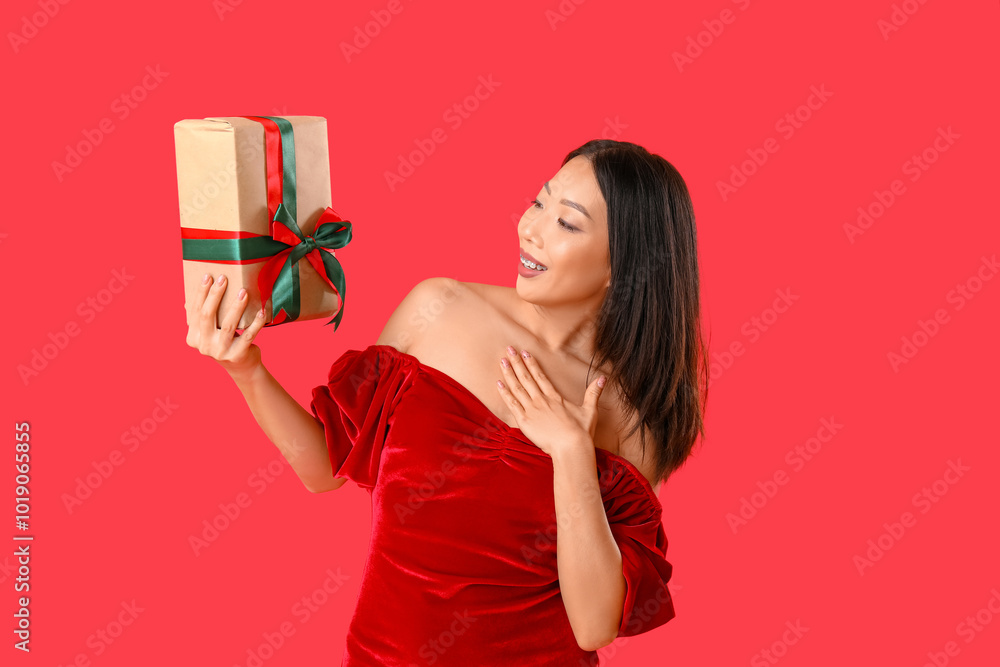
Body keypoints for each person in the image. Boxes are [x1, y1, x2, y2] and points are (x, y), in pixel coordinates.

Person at [186, 138, 709, 665]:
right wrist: (246, 370)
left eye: (567, 224)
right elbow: (325, 466)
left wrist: (571, 451)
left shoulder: (631, 412)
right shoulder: (439, 307)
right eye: (539, 202)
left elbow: (594, 624)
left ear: (625, 266)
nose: (530, 229)